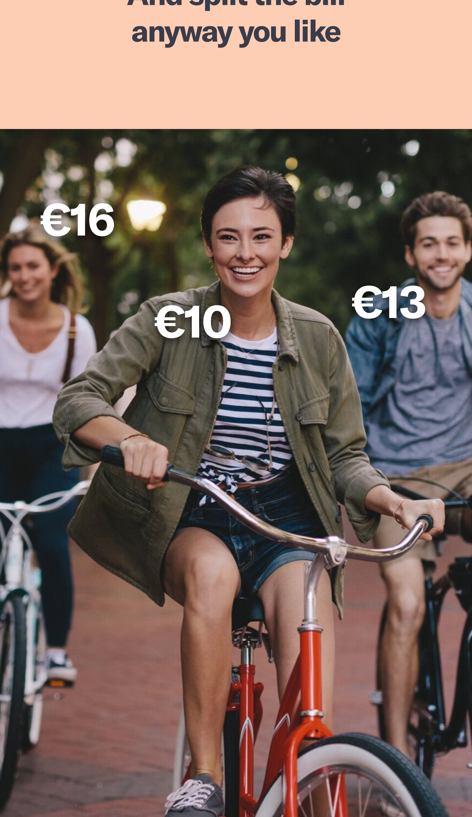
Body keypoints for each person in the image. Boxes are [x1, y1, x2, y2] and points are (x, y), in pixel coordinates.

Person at [53, 168, 443, 816]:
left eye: (262, 236)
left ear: (286, 243)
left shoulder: (318, 337)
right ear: (208, 245)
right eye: (228, 237)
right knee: (210, 578)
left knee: (303, 628)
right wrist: (127, 439)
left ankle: (312, 779)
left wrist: (387, 498)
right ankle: (203, 778)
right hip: (196, 508)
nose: (245, 252)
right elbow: (80, 400)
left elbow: (347, 455)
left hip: (287, 517)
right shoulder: (168, 319)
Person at [345, 190, 472, 757]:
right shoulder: (380, 316)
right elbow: (348, 403)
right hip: (394, 474)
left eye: (451, 242)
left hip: (466, 468)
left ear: (466, 250)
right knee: (407, 602)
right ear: (410, 254)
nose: (440, 254)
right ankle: (396, 762)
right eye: (429, 244)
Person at [0, 225, 97, 683]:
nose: (24, 276)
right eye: (15, 267)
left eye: (32, 266)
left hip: (51, 449)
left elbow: (88, 402)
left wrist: (97, 469)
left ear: (52, 269)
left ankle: (55, 651)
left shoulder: (77, 330)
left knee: (54, 546)